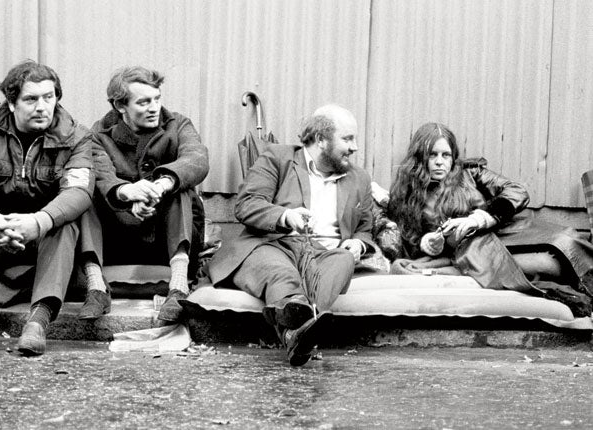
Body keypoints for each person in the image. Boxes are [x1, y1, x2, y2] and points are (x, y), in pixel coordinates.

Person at [208, 104, 376, 366]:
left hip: (323, 254)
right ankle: (297, 332)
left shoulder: (359, 179)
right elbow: (246, 204)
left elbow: (365, 229)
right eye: (347, 138)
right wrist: (286, 217)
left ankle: (297, 331)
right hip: (273, 244)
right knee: (281, 273)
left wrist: (358, 244)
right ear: (321, 139)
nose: (354, 147)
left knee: (343, 260)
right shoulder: (277, 158)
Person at [378, 122, 593, 316]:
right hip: (469, 251)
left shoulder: (470, 174)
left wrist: (480, 218)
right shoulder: (405, 194)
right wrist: (428, 244)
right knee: (548, 264)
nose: (439, 162)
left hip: (503, 233)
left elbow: (517, 192)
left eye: (446, 155)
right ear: (419, 157)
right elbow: (408, 241)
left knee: (567, 240)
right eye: (432, 155)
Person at [0, 60, 94, 355]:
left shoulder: (76, 136)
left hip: (42, 244)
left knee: (67, 221)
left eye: (49, 97)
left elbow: (78, 191)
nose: (42, 107)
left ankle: (38, 321)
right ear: (11, 103)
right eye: (31, 99)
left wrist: (38, 222)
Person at [78, 66, 208, 322]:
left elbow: (197, 158)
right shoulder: (97, 135)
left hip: (167, 240)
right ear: (120, 106)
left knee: (180, 188)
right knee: (84, 191)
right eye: (144, 102)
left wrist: (161, 186)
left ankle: (178, 287)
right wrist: (127, 193)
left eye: (157, 99)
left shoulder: (178, 124)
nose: (154, 108)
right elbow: (103, 174)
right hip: (118, 239)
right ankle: (96, 288)